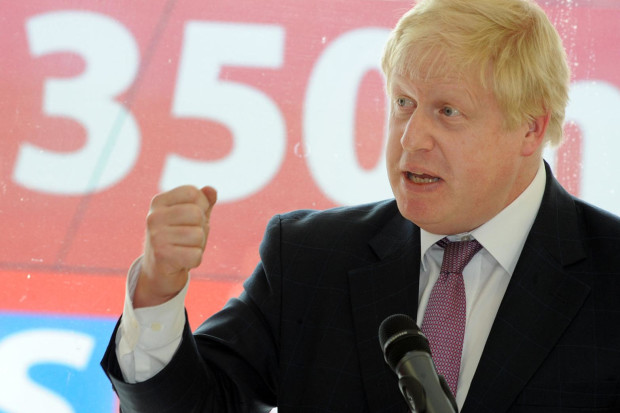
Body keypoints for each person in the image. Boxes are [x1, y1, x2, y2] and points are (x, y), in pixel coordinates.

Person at [101, 0, 620, 411]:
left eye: (448, 111)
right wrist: (157, 292)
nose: (412, 139)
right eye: (403, 104)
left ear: (530, 126)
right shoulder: (309, 258)